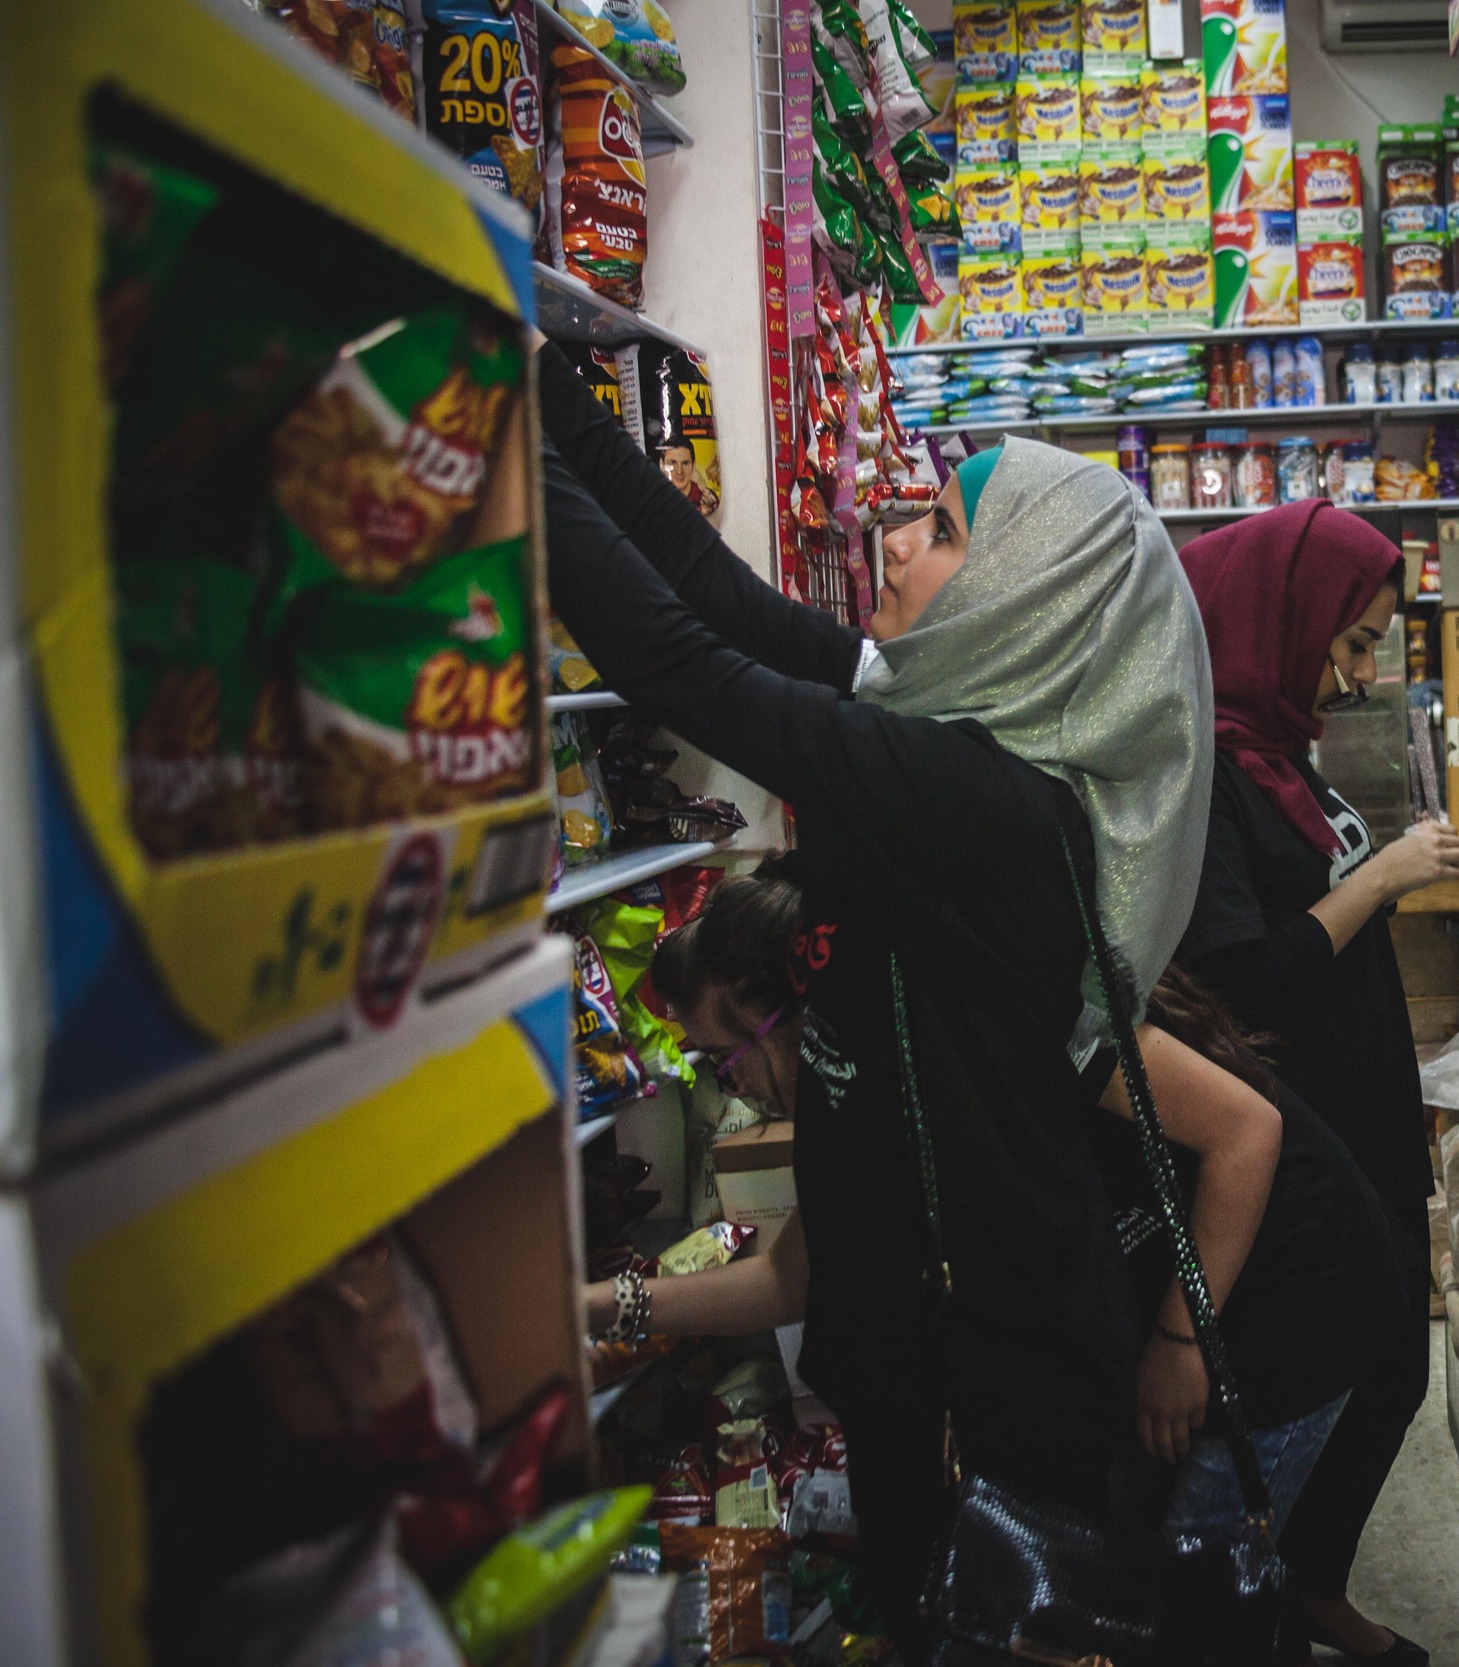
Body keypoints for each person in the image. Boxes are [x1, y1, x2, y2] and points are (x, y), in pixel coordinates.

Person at [536, 345, 1240, 1643]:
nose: (897, 538)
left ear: (1028, 598)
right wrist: (553, 394)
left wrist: (494, 413)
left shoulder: (972, 791)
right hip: (925, 1331)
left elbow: (675, 659)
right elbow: (714, 593)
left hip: (998, 1362)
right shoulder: (938, 713)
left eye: (943, 527)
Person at [619, 870, 1403, 1624]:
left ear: (786, 1012)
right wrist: (613, 1306)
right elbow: (789, 1278)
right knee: (1159, 1588)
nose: (734, 1088)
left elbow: (1247, 1131)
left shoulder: (999, 1020)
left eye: (725, 1057)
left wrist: (1180, 1340)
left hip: (1299, 1280)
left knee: (1192, 1593)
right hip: (1203, 1282)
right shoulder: (860, 1079)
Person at [1176, 501, 1459, 1666]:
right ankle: (1272, 1598)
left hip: (1363, 1123)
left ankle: (1308, 1584)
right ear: (1274, 617)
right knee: (1351, 1363)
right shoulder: (1209, 771)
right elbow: (1244, 976)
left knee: (1394, 1363)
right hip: (1305, 1140)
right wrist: (1385, 874)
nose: (1355, 676)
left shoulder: (1274, 746)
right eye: (1348, 643)